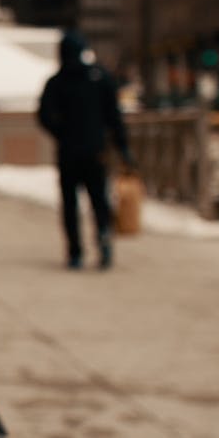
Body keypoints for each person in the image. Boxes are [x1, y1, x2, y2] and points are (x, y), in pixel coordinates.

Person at [38, 30, 135, 270]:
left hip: (69, 153)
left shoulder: (57, 81)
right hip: (95, 151)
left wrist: (61, 133)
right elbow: (114, 118)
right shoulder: (100, 78)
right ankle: (102, 238)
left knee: (70, 204)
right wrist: (122, 148)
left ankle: (75, 252)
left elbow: (43, 115)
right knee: (98, 200)